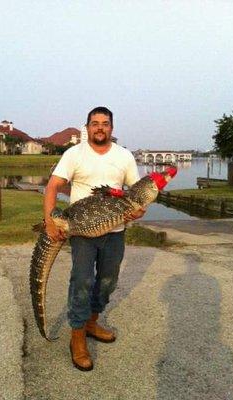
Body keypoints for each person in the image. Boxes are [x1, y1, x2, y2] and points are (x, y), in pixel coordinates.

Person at [44, 106, 145, 371]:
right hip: (83, 233)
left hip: (115, 232)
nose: (100, 127)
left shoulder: (124, 156)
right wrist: (49, 221)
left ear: (112, 127)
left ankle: (91, 322)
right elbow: (53, 186)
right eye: (95, 123)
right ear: (87, 127)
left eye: (105, 123)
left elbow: (135, 194)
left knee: (108, 282)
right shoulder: (74, 153)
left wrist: (138, 210)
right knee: (82, 282)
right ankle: (77, 337)